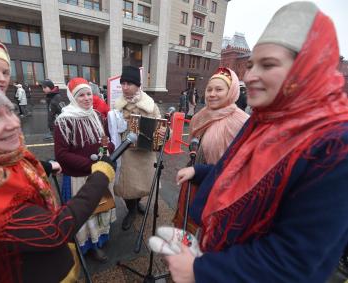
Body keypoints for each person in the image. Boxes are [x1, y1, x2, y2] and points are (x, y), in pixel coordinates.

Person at [162, 2, 348, 282]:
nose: (249, 77)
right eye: (250, 66)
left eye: (268, 64)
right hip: (218, 252)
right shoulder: (265, 118)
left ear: (306, 68)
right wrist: (199, 172)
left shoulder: (336, 144)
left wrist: (199, 271)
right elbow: (236, 173)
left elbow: (295, 262)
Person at [0, 56, 116, 282]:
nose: (15, 123)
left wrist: (45, 166)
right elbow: (52, 231)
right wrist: (99, 172)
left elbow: (22, 167)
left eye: (10, 110)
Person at [0, 37, 61, 176]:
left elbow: (16, 158)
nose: (2, 78)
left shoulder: (0, 105)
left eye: (6, 72)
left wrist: (46, 167)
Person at [172, 67, 249, 234]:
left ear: (232, 91)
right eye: (209, 89)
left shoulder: (242, 122)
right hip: (200, 179)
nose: (212, 94)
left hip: (225, 192)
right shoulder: (205, 115)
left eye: (219, 89)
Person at [54, 77, 115, 262]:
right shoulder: (64, 121)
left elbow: (105, 139)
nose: (87, 98)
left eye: (89, 94)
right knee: (85, 213)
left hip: (98, 173)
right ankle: (88, 246)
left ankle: (100, 239)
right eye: (81, 95)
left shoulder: (96, 115)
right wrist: (91, 166)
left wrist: (109, 148)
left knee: (101, 209)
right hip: (78, 178)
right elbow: (61, 155)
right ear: (73, 97)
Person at [111, 65, 162, 231]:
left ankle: (138, 203)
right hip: (126, 153)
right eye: (123, 83)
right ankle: (131, 210)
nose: (125, 87)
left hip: (145, 153)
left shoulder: (150, 105)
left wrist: (163, 133)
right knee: (127, 186)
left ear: (138, 85)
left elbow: (160, 124)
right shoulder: (117, 105)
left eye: (129, 84)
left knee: (143, 183)